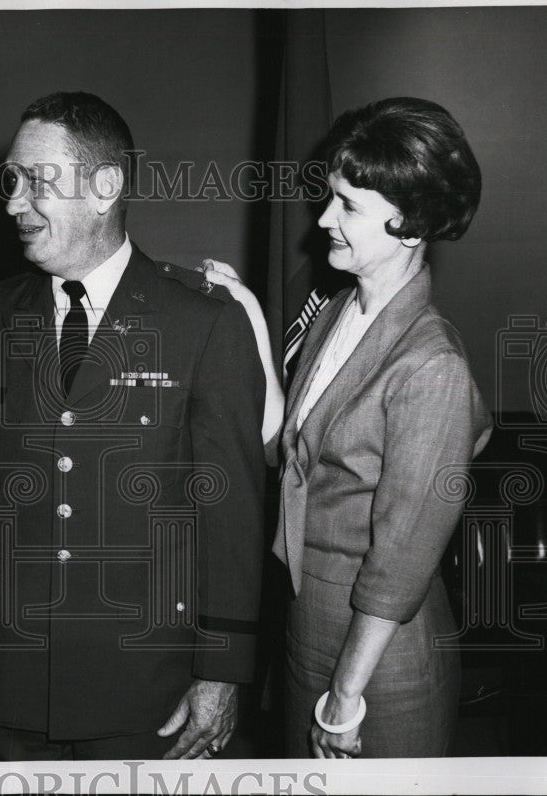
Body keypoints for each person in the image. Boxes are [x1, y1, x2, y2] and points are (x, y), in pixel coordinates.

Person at [0, 91, 268, 760]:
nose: (11, 204)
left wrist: (223, 670)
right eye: (11, 181)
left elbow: (232, 514)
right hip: (10, 686)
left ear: (105, 187)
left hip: (147, 692)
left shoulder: (204, 324)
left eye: (36, 182)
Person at [204, 97, 492, 758]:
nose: (324, 218)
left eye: (349, 206)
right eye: (329, 197)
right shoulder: (336, 314)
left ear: (411, 225)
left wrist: (345, 698)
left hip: (380, 660)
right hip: (309, 627)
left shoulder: (431, 364)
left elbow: (399, 566)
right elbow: (288, 445)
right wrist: (249, 314)